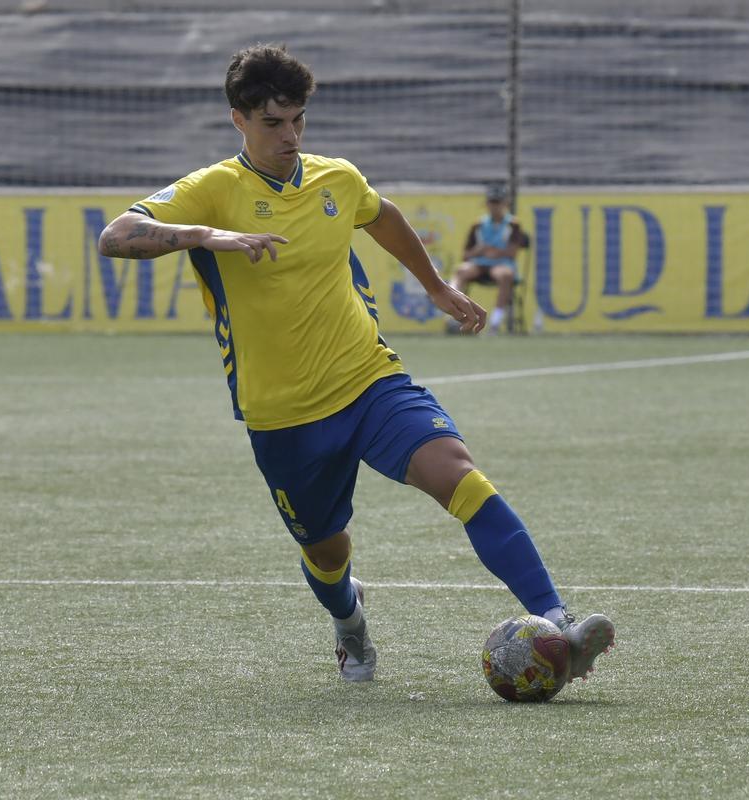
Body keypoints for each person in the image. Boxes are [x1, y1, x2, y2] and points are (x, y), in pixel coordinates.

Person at [98, 44, 613, 685]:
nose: (289, 136)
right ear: (239, 121)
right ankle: (350, 625)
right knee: (326, 551)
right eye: (272, 124)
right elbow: (115, 236)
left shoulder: (334, 178)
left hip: (368, 379)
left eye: (298, 120)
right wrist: (206, 236)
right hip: (282, 413)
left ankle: (560, 625)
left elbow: (381, 214)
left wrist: (435, 287)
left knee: (462, 477)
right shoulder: (213, 191)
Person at [449, 184, 526, 334]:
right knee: (461, 271)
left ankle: (496, 321)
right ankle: (455, 315)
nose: (494, 206)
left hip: (501, 264)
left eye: (498, 202)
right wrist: (479, 251)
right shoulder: (478, 225)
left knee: (505, 275)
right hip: (479, 263)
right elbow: (466, 255)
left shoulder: (513, 224)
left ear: (505, 204)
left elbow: (512, 252)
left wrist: (494, 252)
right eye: (492, 202)